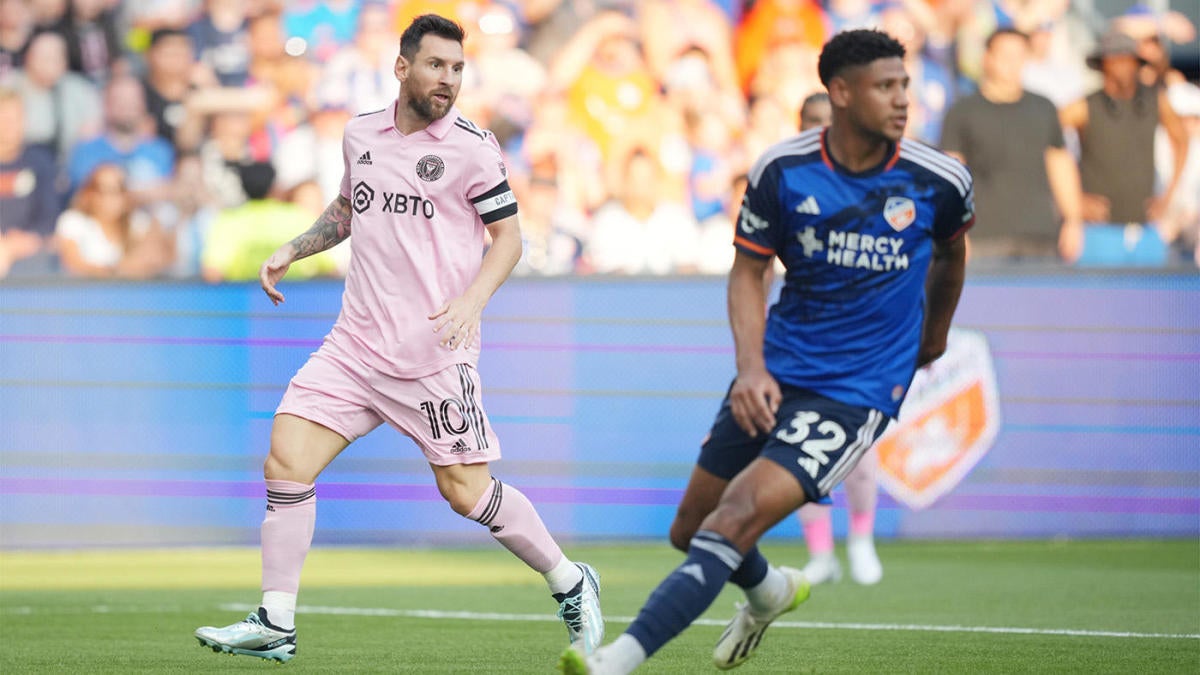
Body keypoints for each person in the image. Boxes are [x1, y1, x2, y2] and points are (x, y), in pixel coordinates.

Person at [559, 28, 972, 674]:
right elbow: (747, 272)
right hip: (777, 369)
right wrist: (751, 367)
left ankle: (616, 660)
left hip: (858, 389)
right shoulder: (783, 171)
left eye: (904, 86)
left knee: (737, 513)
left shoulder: (937, 179)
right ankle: (769, 589)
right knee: (690, 526)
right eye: (885, 86)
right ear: (840, 92)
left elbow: (952, 252)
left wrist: (935, 334)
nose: (901, 101)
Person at [193, 14, 603, 664]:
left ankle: (571, 579)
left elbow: (511, 237)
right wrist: (293, 249)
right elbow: (349, 210)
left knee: (466, 492)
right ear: (403, 67)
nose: (448, 79)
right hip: (355, 346)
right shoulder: (362, 134)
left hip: (433, 354)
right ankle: (276, 618)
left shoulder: (472, 147)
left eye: (458, 68)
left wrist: (472, 300)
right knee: (286, 460)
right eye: (437, 65)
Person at [791, 88, 883, 586]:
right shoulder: (781, 180)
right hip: (801, 331)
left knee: (861, 449)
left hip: (856, 332)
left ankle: (862, 541)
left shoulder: (865, 183)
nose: (819, 128)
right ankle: (821, 553)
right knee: (801, 445)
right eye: (811, 119)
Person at [940, 28, 1083, 262]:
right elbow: (951, 176)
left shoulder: (1044, 107)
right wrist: (957, 231)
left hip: (1041, 236)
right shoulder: (962, 111)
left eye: (1020, 55)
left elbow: (1060, 165)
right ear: (987, 58)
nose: (1013, 63)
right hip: (984, 240)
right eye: (1006, 55)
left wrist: (1073, 221)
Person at [1059, 30, 1188, 265]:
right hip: (1098, 232)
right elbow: (1048, 143)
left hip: (1147, 229)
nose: (1123, 65)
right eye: (1116, 58)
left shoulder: (1155, 100)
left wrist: (1168, 195)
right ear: (1103, 64)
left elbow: (1181, 140)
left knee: (1150, 300)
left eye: (1128, 58)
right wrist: (1073, 201)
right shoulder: (1084, 106)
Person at [200, 161, 338, 282]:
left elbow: (212, 273)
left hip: (244, 306)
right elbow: (330, 270)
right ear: (274, 187)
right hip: (298, 305)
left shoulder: (229, 221)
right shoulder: (299, 217)